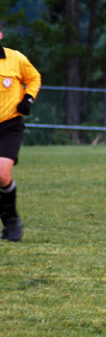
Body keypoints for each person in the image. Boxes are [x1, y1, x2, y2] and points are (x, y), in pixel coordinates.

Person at [0, 20, 41, 242]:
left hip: (9, 125)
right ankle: (8, 224)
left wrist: (28, 98)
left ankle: (12, 220)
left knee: (2, 174)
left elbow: (34, 77)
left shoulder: (15, 58)